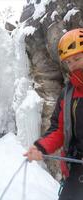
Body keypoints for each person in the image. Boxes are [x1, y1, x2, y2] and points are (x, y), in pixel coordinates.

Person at [24, 28, 83, 200]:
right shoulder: (67, 94)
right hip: (76, 169)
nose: (73, 65)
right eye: (69, 61)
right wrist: (40, 147)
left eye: (78, 58)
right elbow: (59, 129)